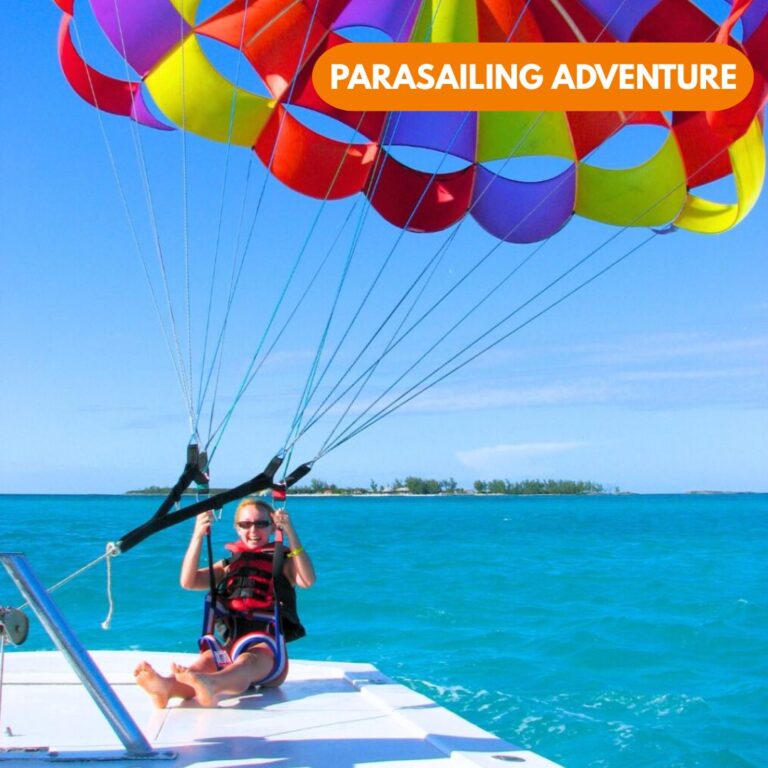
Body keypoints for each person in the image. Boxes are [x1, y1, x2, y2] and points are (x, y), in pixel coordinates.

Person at [134, 497, 315, 707]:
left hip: (268, 652)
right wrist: (198, 535)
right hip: (230, 645)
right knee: (206, 660)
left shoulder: (283, 562)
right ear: (237, 529)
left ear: (273, 525)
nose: (253, 531)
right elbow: (188, 581)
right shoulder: (230, 565)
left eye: (261, 524)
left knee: (246, 661)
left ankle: (211, 684)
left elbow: (307, 580)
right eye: (245, 524)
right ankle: (166, 687)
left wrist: (290, 532)